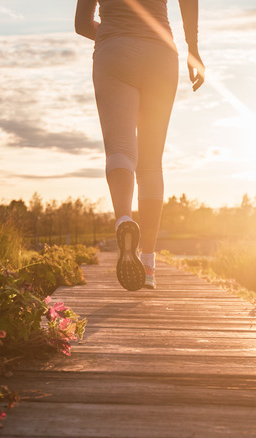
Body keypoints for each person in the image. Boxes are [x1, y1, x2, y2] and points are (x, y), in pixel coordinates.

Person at [75, 0, 204, 291]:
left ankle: (123, 220)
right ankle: (148, 265)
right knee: (151, 163)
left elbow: (82, 23)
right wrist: (193, 48)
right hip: (160, 53)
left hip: (114, 51)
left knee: (120, 150)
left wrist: (113, 34)